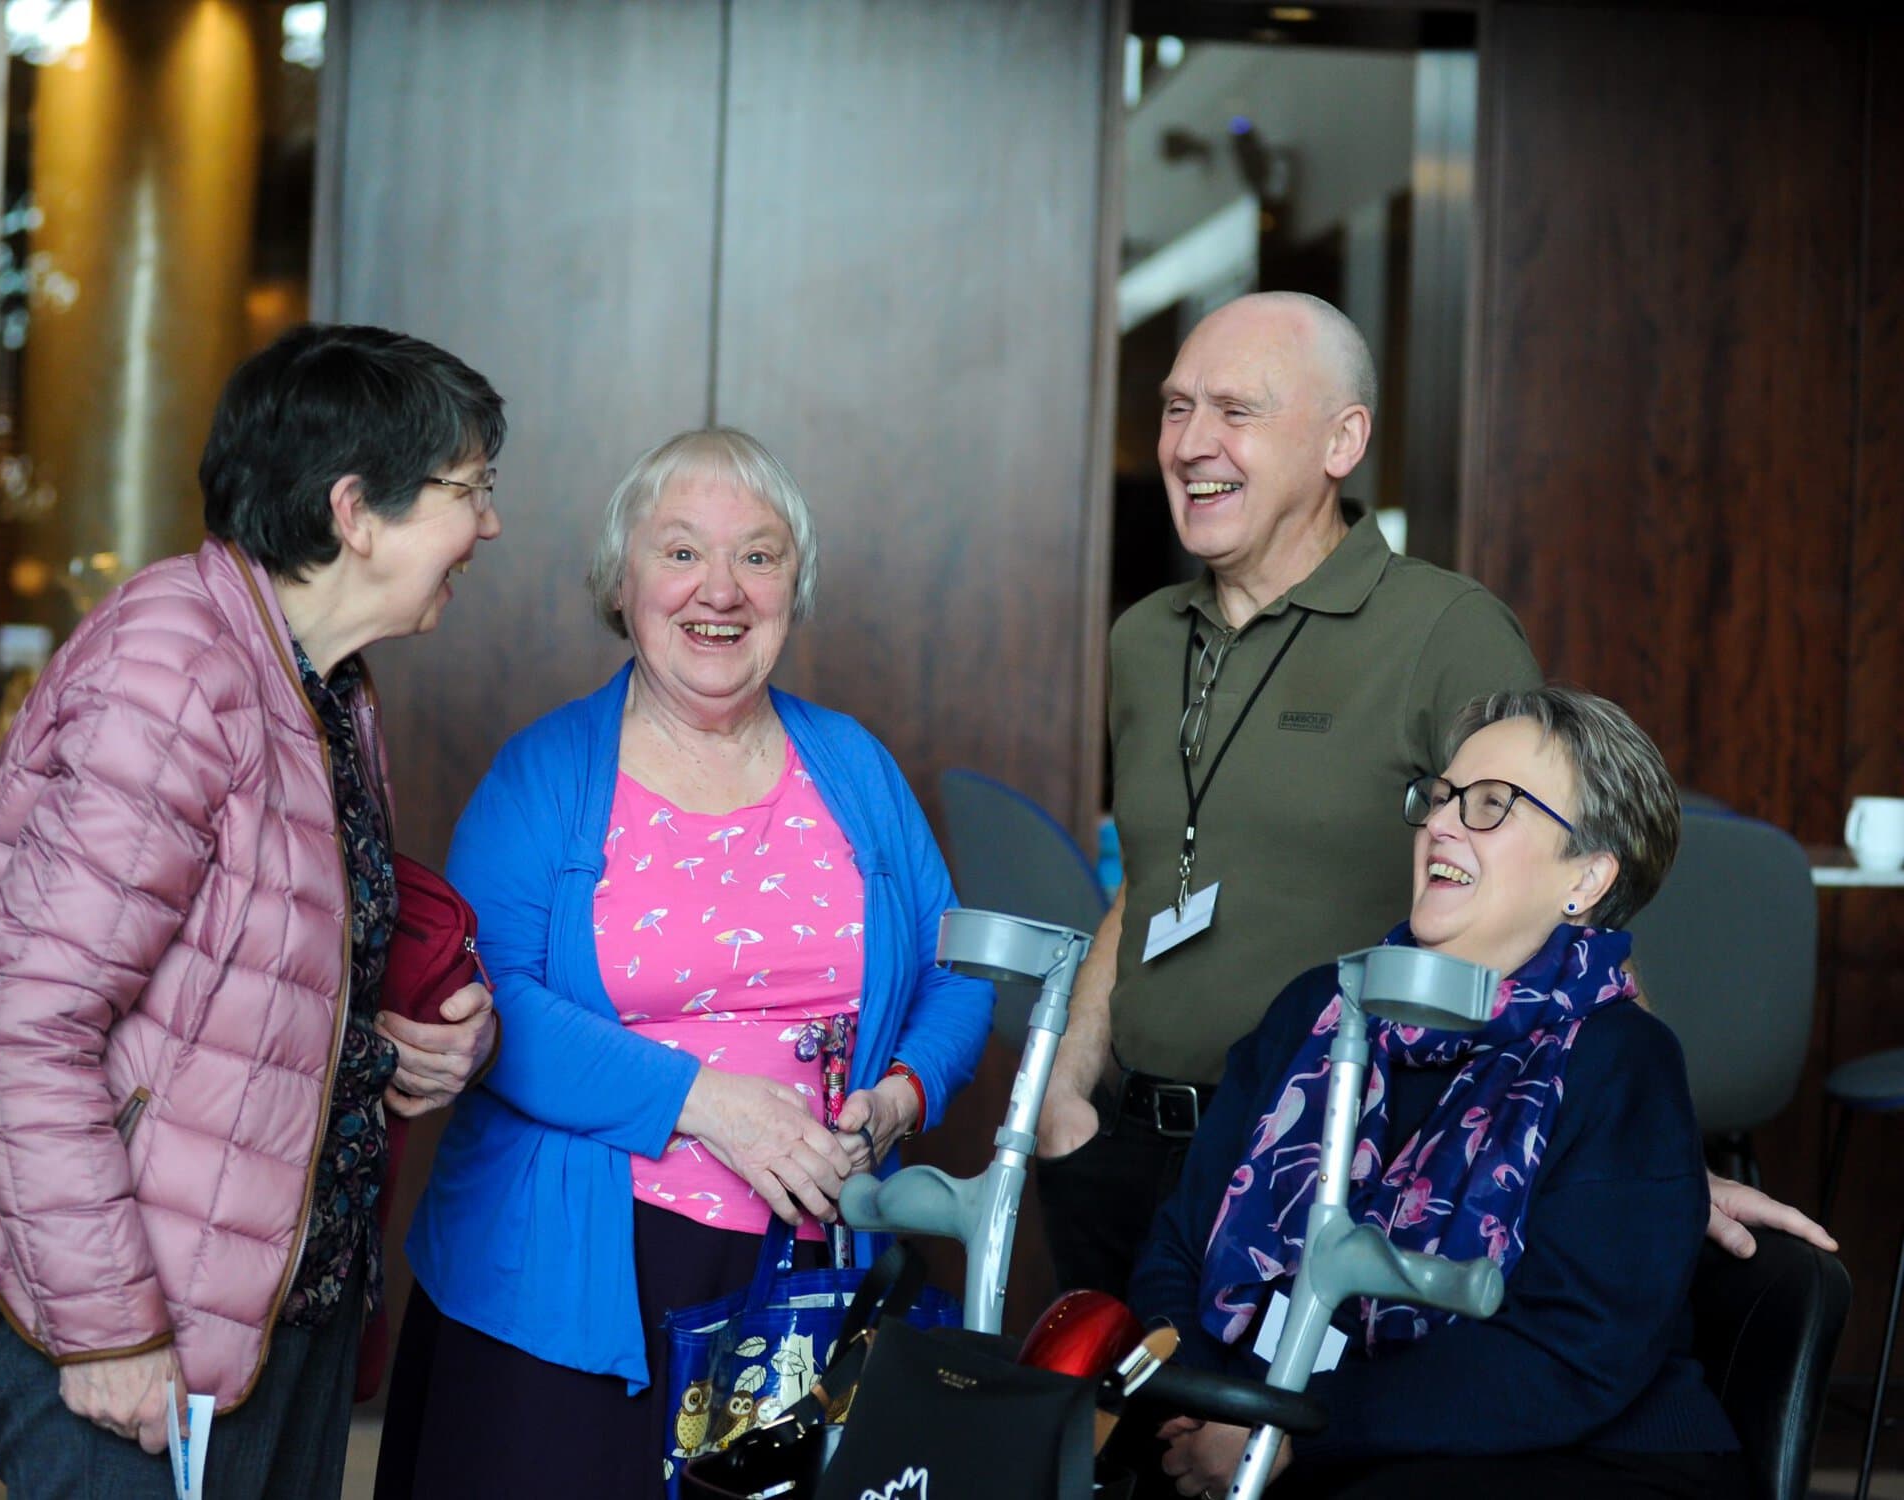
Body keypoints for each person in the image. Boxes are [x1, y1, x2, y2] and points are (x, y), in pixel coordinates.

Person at [0, 323, 506, 1498]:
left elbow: (244, 969)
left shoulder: (324, 681)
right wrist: (108, 1330)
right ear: (354, 510)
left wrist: (396, 1045)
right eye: (468, 489)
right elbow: (21, 1023)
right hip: (141, 1309)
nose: (487, 525)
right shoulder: (175, 667)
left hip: (270, 1299)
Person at [1035, 291, 1832, 1299]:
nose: (1190, 442)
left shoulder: (1444, 630)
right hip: (1121, 1144)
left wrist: (1650, 1155)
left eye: (1235, 411)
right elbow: (1157, 872)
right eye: (1175, 407)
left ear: (1342, 441)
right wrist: (1066, 1083)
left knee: (1269, 1412)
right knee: (1105, 1406)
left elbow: (1553, 888)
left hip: (1325, 1167)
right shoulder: (1143, 638)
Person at [375, 428, 994, 1499]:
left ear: (793, 586)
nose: (720, 590)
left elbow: (955, 972)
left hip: (812, 1270)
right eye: (679, 552)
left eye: (757, 555)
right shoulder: (545, 773)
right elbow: (494, 1005)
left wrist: (897, 1097)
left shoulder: (853, 765)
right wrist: (707, 1103)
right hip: (577, 1268)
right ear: (622, 583)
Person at [1129, 685, 1749, 1499]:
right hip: (1301, 1432)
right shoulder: (1318, 1009)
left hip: (1581, 1455)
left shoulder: (1619, 1060)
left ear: (1586, 877)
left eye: (1491, 805)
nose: (1442, 823)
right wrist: (1202, 1400)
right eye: (1442, 796)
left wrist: (1286, 1424)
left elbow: (1567, 1358)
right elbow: (1182, 1243)